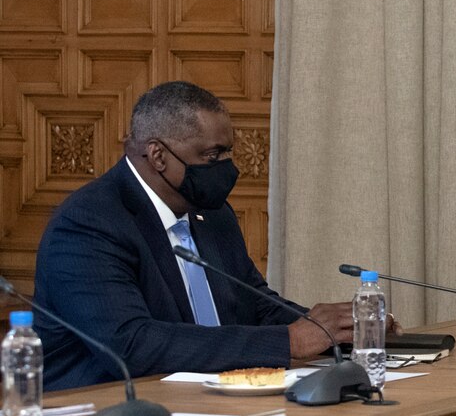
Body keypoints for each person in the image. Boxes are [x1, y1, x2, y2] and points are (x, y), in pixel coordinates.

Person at [34, 81, 395, 391]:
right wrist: (291, 340)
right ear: (158, 155)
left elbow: (253, 303)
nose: (227, 168)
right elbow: (132, 345)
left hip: (210, 399)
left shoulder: (211, 213)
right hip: (104, 414)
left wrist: (342, 331)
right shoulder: (88, 223)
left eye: (228, 152)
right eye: (213, 155)